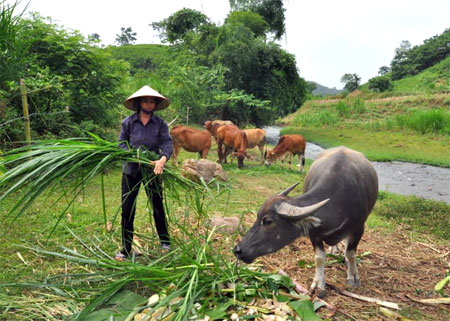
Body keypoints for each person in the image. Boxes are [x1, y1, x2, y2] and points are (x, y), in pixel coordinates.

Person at [116, 85, 173, 261]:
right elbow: (121, 143)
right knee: (127, 209)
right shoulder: (128, 122)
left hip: (153, 170)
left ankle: (165, 241)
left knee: (157, 205)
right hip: (131, 170)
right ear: (139, 103)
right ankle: (125, 248)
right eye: (145, 101)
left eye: (152, 101)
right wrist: (132, 155)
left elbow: (167, 143)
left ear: (155, 104)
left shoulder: (161, 124)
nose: (148, 104)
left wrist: (162, 159)